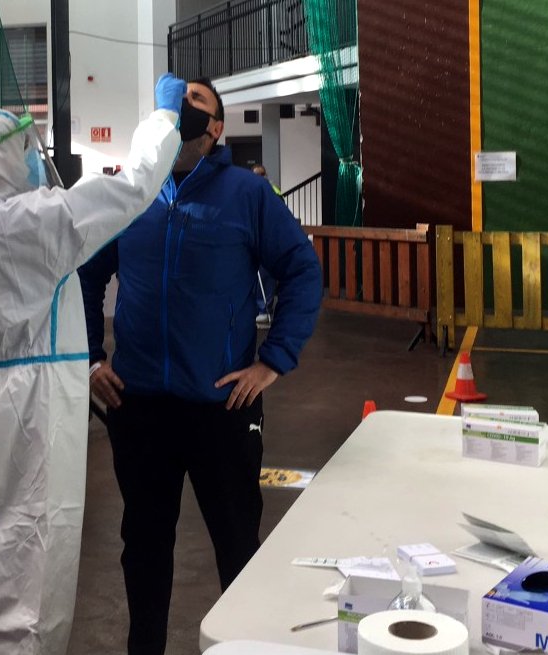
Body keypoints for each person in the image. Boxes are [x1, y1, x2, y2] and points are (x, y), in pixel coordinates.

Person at [0, 74, 187, 654]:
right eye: (25, 147)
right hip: (31, 410)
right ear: (0, 157)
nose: (35, 158)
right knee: (29, 570)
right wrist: (164, 118)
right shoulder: (27, 221)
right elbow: (133, 187)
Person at [78, 78, 322, 655]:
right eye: (177, 98)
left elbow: (302, 270)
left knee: (237, 548)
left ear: (216, 128)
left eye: (197, 102)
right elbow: (86, 274)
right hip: (139, 408)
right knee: (144, 550)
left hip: (221, 409)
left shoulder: (246, 193)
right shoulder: (132, 194)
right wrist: (90, 357)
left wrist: (272, 362)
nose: (182, 107)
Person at [250, 163, 282, 326]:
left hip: (268, 239)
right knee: (256, 276)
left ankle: (264, 310)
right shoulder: (251, 191)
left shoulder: (272, 191)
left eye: (261, 174)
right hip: (255, 239)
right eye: (256, 174)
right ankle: (257, 309)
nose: (259, 177)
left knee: (265, 275)